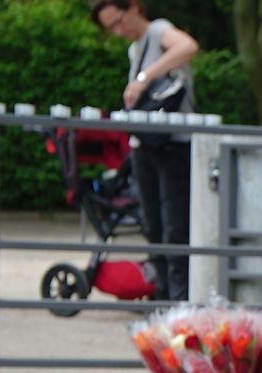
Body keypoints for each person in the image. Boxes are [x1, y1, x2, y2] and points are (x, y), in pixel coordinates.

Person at [90, 0, 199, 305]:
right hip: (145, 146)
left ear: (134, 7)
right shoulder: (134, 48)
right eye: (111, 27)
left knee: (175, 227)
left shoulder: (159, 31)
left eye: (119, 21)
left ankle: (179, 301)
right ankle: (161, 298)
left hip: (174, 144)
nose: (118, 30)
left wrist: (144, 77)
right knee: (152, 226)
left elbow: (188, 47)